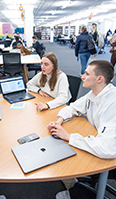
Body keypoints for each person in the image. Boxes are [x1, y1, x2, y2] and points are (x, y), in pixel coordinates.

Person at [47, 60, 116, 199]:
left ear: (99, 79)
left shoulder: (112, 103)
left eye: (86, 73)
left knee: (63, 152)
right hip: (100, 140)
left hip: (110, 155)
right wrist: (59, 121)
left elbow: (107, 149)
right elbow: (73, 107)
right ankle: (74, 188)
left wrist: (68, 136)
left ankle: (75, 191)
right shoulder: (94, 93)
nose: (82, 77)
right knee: (59, 147)